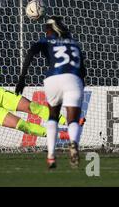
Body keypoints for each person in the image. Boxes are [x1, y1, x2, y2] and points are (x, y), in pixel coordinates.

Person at [15, 16, 86, 169]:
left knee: (53, 116)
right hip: (73, 79)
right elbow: (83, 70)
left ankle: (51, 156)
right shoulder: (75, 44)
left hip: (53, 79)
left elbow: (30, 53)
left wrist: (22, 78)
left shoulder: (45, 40)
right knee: (73, 120)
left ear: (49, 30)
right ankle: (73, 143)